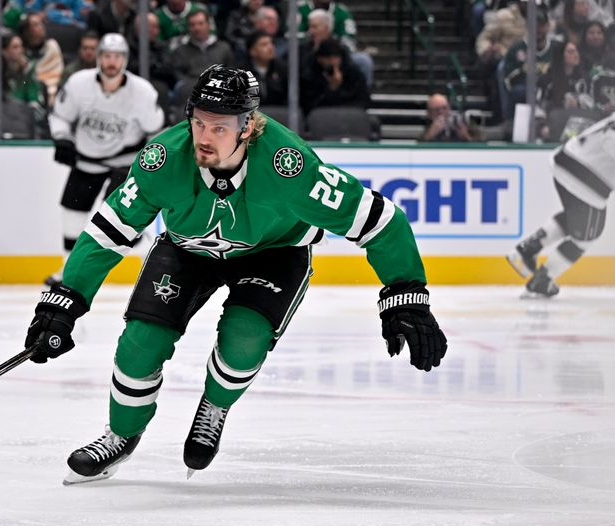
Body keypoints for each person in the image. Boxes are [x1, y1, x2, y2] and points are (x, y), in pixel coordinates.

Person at [24, 65, 448, 483]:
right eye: (199, 123)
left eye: (219, 127)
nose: (204, 137)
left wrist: (405, 295)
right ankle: (121, 434)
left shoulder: (289, 167)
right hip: (187, 250)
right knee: (140, 342)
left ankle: (215, 405)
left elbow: (381, 221)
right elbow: (107, 233)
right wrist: (66, 301)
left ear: (248, 127)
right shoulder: (162, 159)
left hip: (274, 254)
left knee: (243, 340)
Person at [44, 32, 164, 287]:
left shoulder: (142, 92)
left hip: (125, 163)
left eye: (117, 57)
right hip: (86, 160)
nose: (112, 62)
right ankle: (68, 268)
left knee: (117, 217)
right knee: (73, 213)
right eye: (107, 56)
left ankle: (150, 258)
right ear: (98, 57)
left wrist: (150, 163)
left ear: (125, 60)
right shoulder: (78, 83)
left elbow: (156, 131)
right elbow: (61, 116)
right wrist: (62, 138)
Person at [506, 112, 615, 297]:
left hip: (566, 159)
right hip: (586, 178)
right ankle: (542, 280)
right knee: (587, 236)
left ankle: (527, 249)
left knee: (577, 220)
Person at [300, 37, 370, 114]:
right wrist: (331, 89)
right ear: (319, 58)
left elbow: (362, 99)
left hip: (348, 112)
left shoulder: (352, 73)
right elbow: (308, 103)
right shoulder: (309, 74)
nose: (332, 62)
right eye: (328, 58)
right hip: (321, 114)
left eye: (335, 57)